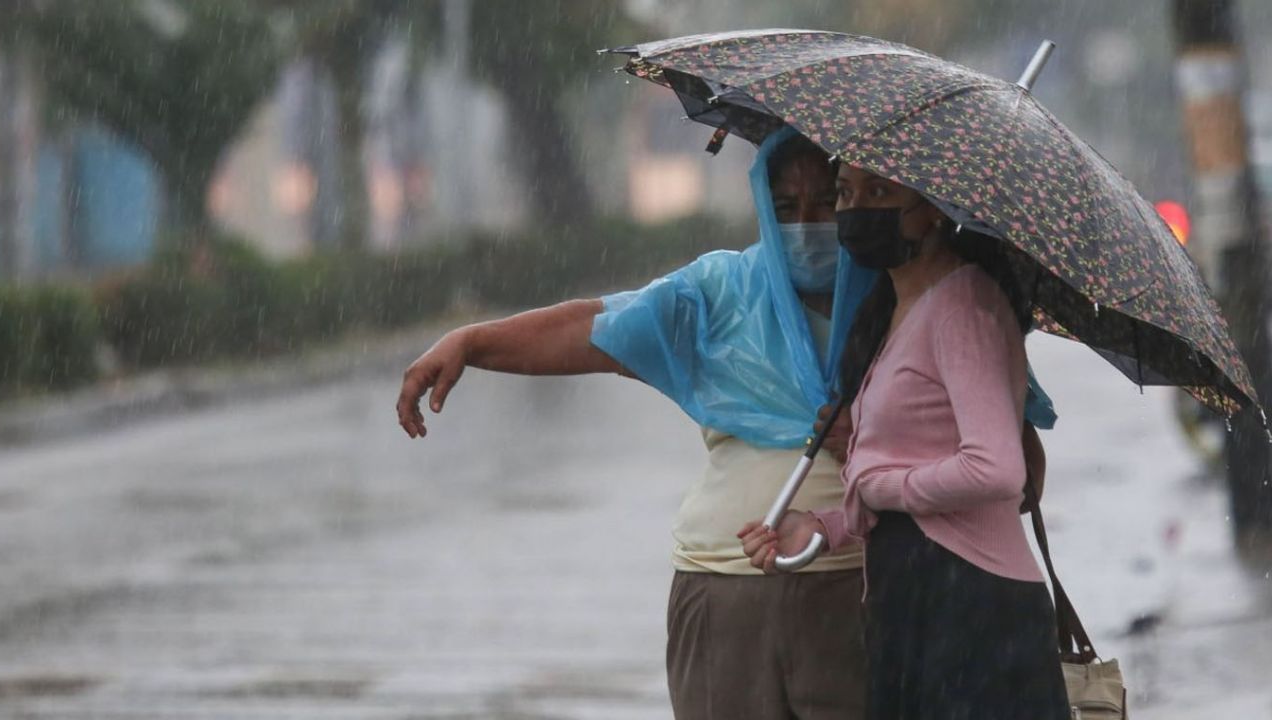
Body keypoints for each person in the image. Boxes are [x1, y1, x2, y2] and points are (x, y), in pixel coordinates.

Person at [398, 127, 1055, 719]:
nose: (811, 224)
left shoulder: (919, 299)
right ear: (764, 208)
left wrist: (868, 458)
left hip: (864, 600)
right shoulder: (718, 294)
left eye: (830, 201)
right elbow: (595, 329)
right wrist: (474, 342)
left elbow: (1014, 476)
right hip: (723, 595)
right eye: (788, 207)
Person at [741, 164, 1069, 719]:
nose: (854, 210)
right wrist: (824, 526)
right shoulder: (893, 311)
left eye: (879, 192)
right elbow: (905, 473)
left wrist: (878, 489)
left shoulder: (964, 304)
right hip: (915, 601)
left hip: (973, 607)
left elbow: (997, 470)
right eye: (845, 192)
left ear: (935, 207)